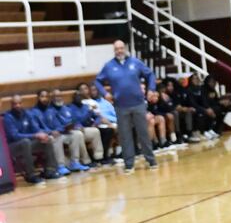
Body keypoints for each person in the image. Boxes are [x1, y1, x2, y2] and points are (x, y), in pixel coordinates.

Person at [94, 40, 157, 173]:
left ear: (125, 48)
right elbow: (97, 81)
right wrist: (105, 93)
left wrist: (151, 89)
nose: (119, 51)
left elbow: (150, 74)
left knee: (143, 133)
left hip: (138, 104)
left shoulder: (135, 62)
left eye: (121, 48)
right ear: (114, 50)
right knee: (125, 136)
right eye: (117, 49)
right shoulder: (109, 66)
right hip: (120, 106)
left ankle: (151, 160)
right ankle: (129, 164)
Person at [2, 96, 58, 183]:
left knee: (47, 139)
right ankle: (30, 174)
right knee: (26, 142)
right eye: (15, 104)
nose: (17, 105)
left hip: (27, 144)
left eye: (19, 103)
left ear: (22, 103)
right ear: (11, 105)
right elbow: (15, 136)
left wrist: (44, 134)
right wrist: (35, 135)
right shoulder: (8, 117)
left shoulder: (27, 114)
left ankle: (49, 170)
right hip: (12, 147)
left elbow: (36, 128)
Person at [50, 88, 102, 167]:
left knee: (95, 131)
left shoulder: (66, 108)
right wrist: (77, 126)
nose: (58, 97)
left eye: (60, 96)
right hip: (62, 132)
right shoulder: (64, 108)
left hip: (74, 129)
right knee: (78, 134)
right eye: (56, 96)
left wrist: (95, 123)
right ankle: (86, 160)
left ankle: (99, 157)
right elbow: (74, 120)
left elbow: (72, 120)